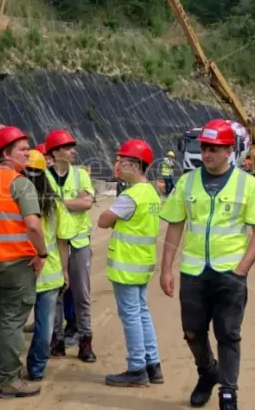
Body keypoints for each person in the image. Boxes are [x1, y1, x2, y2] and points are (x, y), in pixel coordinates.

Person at [159, 118, 255, 410]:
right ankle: (207, 372)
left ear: (229, 151)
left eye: (214, 148)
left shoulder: (248, 185)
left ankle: (228, 392)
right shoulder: (187, 183)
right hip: (194, 275)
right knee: (192, 332)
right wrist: (166, 269)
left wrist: (242, 270)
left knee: (228, 334)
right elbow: (174, 225)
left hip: (230, 276)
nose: (207, 154)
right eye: (205, 148)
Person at [0, 125, 49, 398]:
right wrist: (42, 254)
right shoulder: (20, 183)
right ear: (6, 153)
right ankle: (9, 381)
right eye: (23, 149)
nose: (29, 153)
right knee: (12, 323)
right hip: (16, 265)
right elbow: (34, 226)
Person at [99, 139, 164, 387]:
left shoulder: (131, 196)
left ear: (137, 165)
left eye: (123, 161)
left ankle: (137, 367)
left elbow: (104, 220)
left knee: (131, 316)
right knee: (142, 313)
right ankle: (153, 365)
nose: (118, 165)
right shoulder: (151, 193)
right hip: (142, 264)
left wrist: (115, 220)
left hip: (126, 266)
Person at [43, 129, 97, 362]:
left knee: (81, 294)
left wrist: (58, 202)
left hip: (78, 241)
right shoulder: (43, 176)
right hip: (54, 243)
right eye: (67, 148)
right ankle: (57, 340)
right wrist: (71, 202)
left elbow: (87, 202)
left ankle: (85, 341)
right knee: (55, 292)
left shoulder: (80, 175)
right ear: (55, 152)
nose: (72, 151)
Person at [20, 149, 68, 381]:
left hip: (21, 271)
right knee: (44, 327)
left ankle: (3, 367)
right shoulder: (53, 203)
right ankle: (36, 369)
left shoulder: (14, 199)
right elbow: (62, 240)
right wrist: (65, 271)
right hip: (49, 273)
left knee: (10, 323)